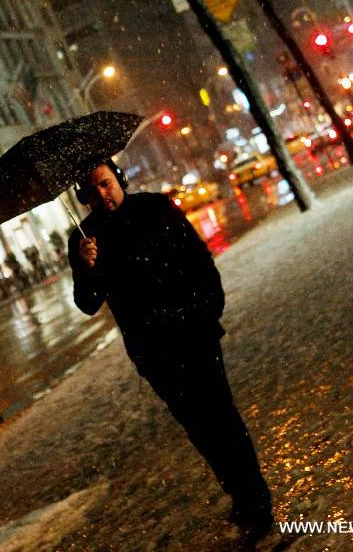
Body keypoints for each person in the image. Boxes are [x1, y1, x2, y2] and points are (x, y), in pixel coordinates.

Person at [68, 160, 273, 538]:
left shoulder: (155, 208)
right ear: (83, 196)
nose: (102, 194)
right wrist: (87, 267)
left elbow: (198, 259)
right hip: (152, 350)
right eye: (92, 190)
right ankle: (238, 493)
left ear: (119, 179)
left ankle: (256, 499)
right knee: (198, 427)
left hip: (193, 331)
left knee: (221, 416)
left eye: (106, 183)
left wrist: (208, 310)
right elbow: (87, 302)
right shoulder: (85, 238)